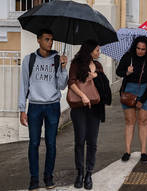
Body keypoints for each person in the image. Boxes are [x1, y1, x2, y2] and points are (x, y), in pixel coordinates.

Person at [18, 29, 68, 191]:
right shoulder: (29, 60)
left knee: (51, 143)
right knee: (33, 143)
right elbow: (24, 85)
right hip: (34, 107)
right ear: (38, 40)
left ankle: (48, 177)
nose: (50, 42)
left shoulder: (56, 59)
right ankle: (34, 179)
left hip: (52, 106)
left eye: (51, 40)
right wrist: (22, 109)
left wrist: (63, 67)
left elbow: (62, 85)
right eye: (47, 39)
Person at [68, 40, 111, 190]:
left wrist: (97, 76)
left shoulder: (98, 66)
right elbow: (71, 82)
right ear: (90, 50)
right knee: (80, 140)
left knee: (92, 141)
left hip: (95, 107)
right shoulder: (76, 63)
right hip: (79, 107)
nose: (99, 52)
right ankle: (79, 172)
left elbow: (104, 85)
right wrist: (83, 95)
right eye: (97, 50)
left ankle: (88, 173)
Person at [116, 36, 147, 163]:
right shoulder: (128, 57)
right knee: (129, 121)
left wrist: (142, 100)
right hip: (128, 91)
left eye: (143, 49)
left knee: (143, 121)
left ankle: (143, 151)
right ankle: (127, 151)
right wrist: (127, 72)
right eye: (138, 48)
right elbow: (118, 72)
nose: (140, 51)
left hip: (146, 92)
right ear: (135, 47)